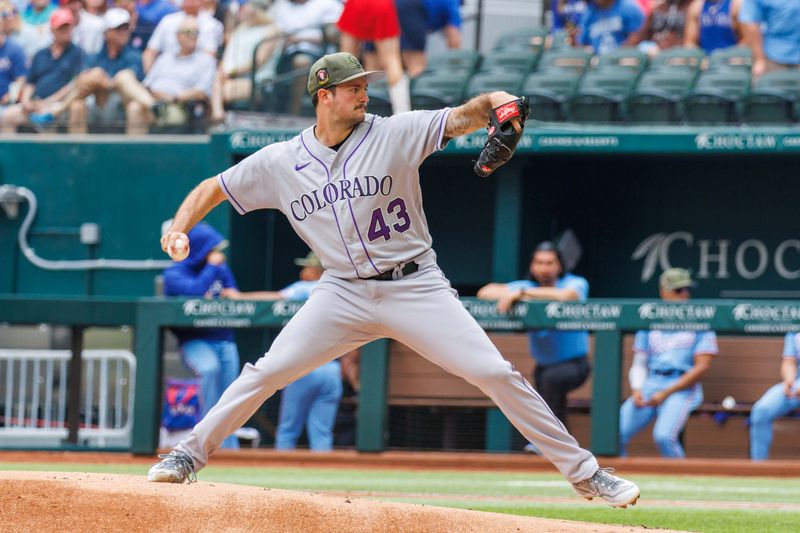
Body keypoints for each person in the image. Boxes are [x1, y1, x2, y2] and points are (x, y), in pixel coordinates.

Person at [147, 51, 640, 509]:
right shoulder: (280, 161)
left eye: (365, 85)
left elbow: (467, 115)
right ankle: (187, 456)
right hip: (340, 291)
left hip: (415, 285)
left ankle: (586, 474)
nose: (364, 94)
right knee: (266, 372)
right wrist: (178, 227)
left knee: (494, 373)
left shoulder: (393, 132)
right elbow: (213, 187)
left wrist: (497, 102)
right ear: (324, 96)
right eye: (352, 88)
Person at [223, 252, 343, 451]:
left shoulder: (308, 287)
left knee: (288, 430)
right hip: (332, 371)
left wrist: (239, 297)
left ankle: (275, 479)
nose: (303, 271)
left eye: (307, 267)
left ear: (316, 270)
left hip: (304, 368)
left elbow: (276, 298)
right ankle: (322, 481)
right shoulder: (341, 291)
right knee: (322, 433)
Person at [477, 242, 590, 432]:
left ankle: (543, 442)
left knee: (550, 387)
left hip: (575, 365)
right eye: (539, 263)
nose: (543, 268)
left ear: (559, 265)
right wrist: (519, 292)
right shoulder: (527, 285)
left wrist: (522, 294)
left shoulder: (574, 282)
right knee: (553, 401)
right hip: (543, 366)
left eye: (549, 263)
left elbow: (568, 295)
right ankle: (561, 447)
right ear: (532, 265)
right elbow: (485, 292)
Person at [619, 268, 718, 458]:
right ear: (664, 292)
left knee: (663, 436)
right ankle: (618, 483)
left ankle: (683, 480)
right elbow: (640, 363)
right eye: (679, 290)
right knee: (615, 432)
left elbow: (702, 367)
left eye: (687, 289)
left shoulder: (701, 320)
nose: (685, 294)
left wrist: (666, 392)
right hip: (652, 383)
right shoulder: (650, 319)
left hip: (682, 387)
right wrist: (637, 388)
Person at [162, 221, 241, 449]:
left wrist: (233, 295)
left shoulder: (220, 269)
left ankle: (230, 449)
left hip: (224, 337)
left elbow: (235, 293)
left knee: (233, 392)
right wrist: (213, 268)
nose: (215, 254)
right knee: (209, 369)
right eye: (209, 249)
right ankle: (205, 442)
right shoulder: (174, 272)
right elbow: (195, 292)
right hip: (194, 340)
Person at [33, 8, 150, 134]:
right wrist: (98, 79)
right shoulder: (95, 56)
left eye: (126, 28)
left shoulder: (134, 55)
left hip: (123, 104)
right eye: (118, 29)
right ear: (106, 33)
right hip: (98, 103)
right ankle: (77, 152)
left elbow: (129, 81)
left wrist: (103, 80)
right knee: (78, 104)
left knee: (124, 81)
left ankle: (56, 111)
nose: (123, 32)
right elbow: (81, 81)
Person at [4, 8, 86, 132]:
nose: (66, 31)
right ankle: (9, 152)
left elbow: (75, 83)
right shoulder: (41, 54)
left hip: (61, 104)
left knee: (55, 115)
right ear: (52, 30)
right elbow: (30, 82)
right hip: (35, 102)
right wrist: (26, 101)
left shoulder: (78, 53)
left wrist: (49, 101)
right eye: (62, 27)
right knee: (7, 116)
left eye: (68, 27)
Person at [337, 0, 410, 114]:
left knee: (346, 60)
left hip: (356, 4)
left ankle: (341, 111)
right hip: (380, 4)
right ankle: (402, 114)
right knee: (391, 60)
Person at [749, 332, 800, 461]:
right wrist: (790, 381)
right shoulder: (794, 330)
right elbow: (789, 361)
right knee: (761, 410)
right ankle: (759, 469)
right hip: (796, 385)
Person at [739, 0, 800, 79]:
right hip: (772, 55)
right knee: (771, 89)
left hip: (787, 51)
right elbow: (750, 23)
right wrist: (759, 59)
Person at [577, 0, 645, 54]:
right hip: (598, 63)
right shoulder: (588, 14)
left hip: (624, 59)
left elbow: (637, 37)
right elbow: (582, 44)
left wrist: (615, 57)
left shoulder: (628, 7)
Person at [625, 0, 693, 54]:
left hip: (681, 56)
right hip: (655, 54)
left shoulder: (694, 7)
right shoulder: (658, 9)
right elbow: (638, 37)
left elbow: (691, 44)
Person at [0, 0, 27, 133]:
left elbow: (21, 80)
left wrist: (9, 97)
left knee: (9, 115)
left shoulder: (14, 49)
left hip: (7, 105)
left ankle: (6, 154)